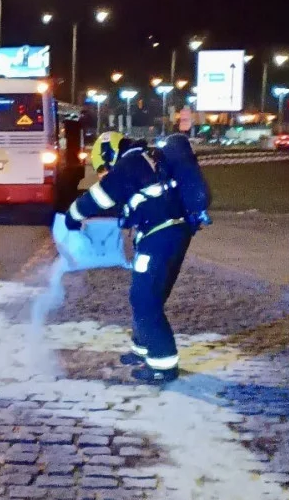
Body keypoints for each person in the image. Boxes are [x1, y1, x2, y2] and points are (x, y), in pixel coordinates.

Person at [63, 136, 197, 384]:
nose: (104, 173)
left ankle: (162, 364)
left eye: (103, 167)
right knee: (147, 294)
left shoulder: (129, 163)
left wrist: (71, 217)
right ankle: (142, 347)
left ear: (109, 154)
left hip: (160, 237)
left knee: (144, 298)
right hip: (170, 233)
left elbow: (98, 198)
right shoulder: (147, 160)